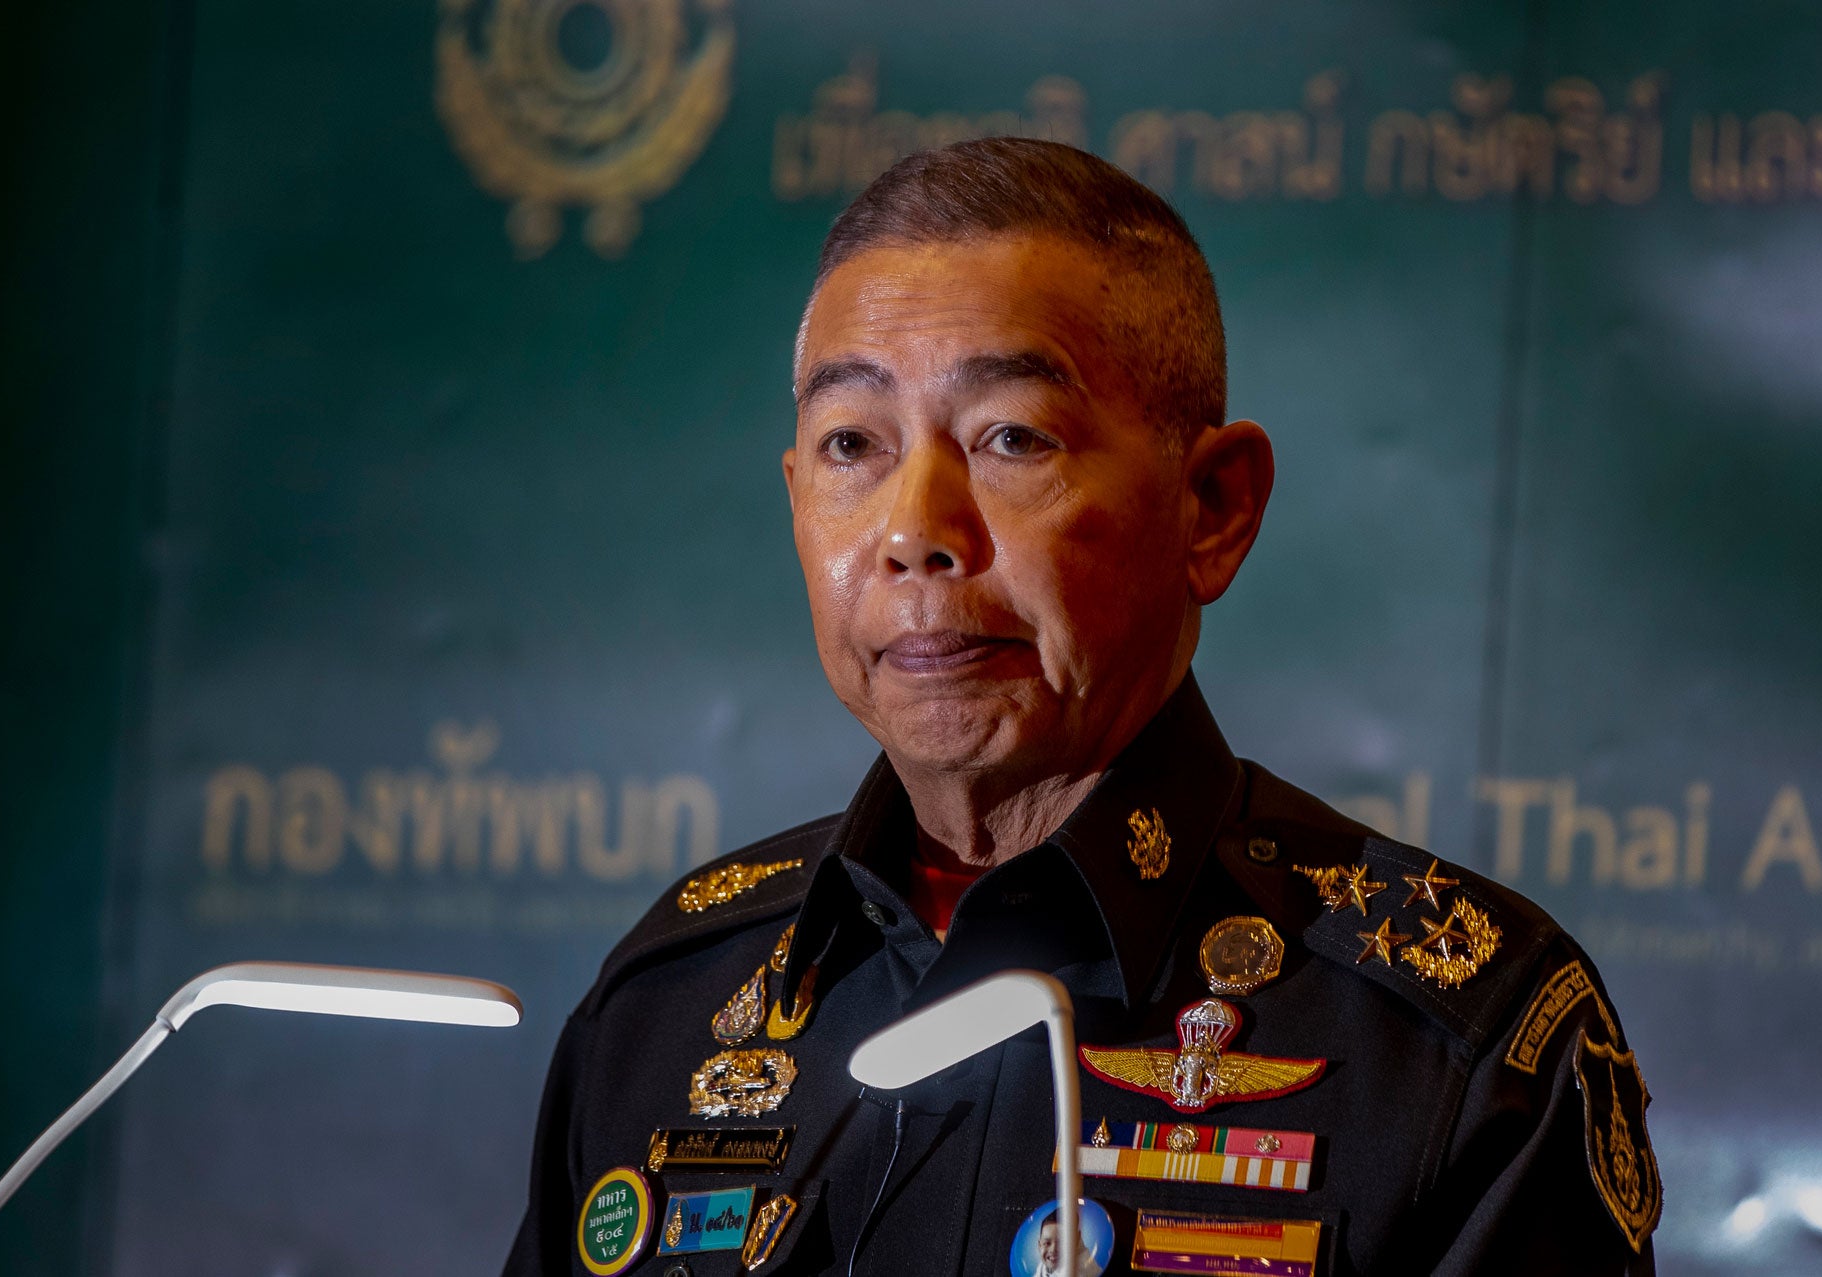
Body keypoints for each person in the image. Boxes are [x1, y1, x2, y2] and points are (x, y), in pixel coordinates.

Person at [504, 138, 1659, 1276]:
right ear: (797, 495)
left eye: (1012, 437)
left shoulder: (1457, 1041)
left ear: (1212, 509)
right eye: (853, 443)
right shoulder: (668, 1004)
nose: (914, 530)